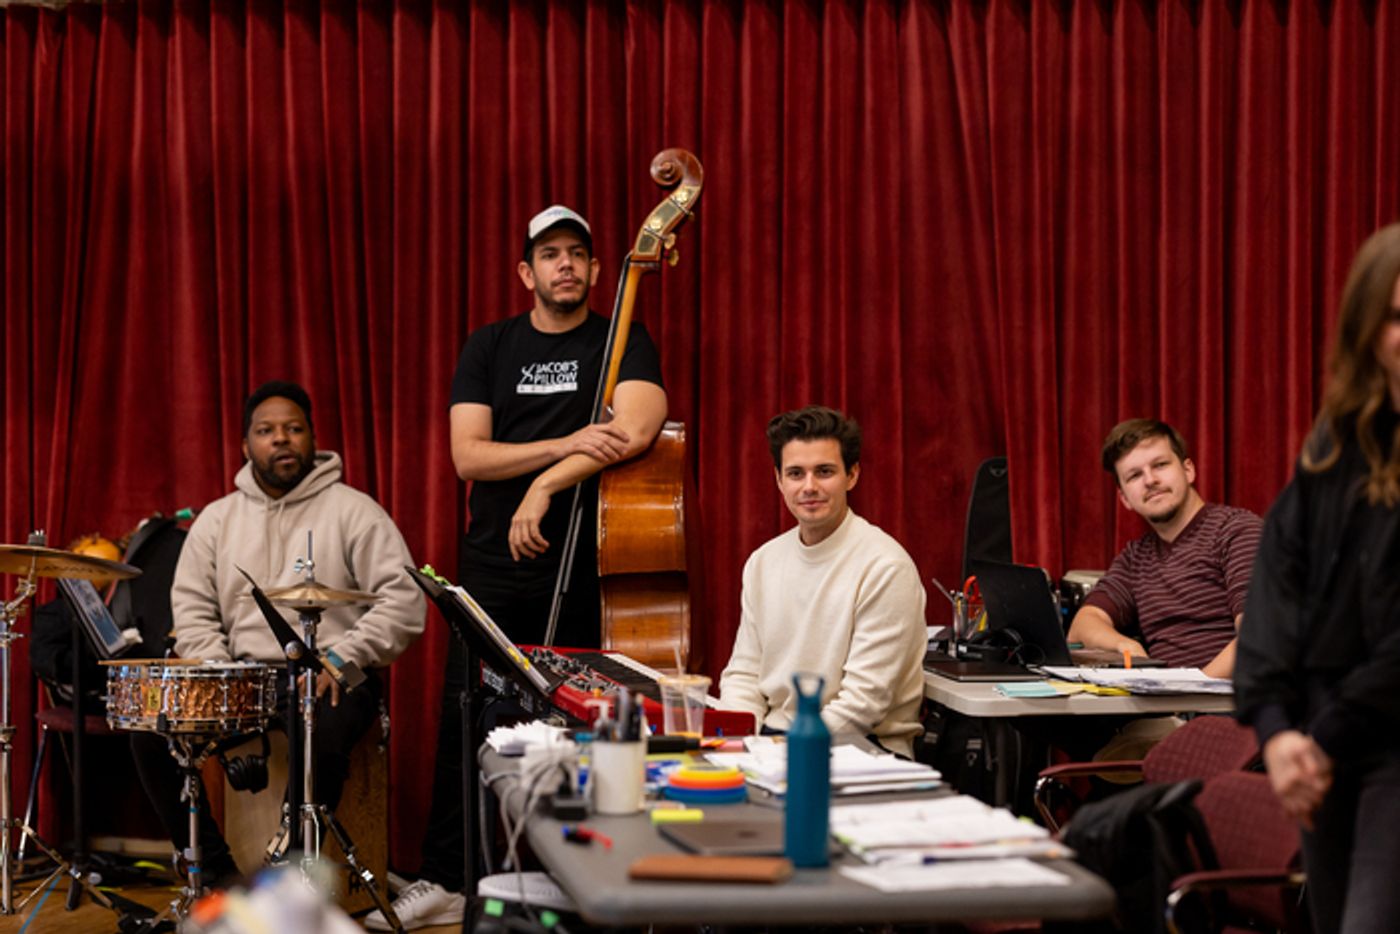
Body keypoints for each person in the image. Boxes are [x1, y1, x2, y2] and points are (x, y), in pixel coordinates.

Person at [369, 205, 667, 930]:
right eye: (550, 254)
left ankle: (579, 880)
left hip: (589, 559)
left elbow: (636, 428)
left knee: (580, 722)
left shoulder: (620, 339)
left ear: (597, 269)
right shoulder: (491, 345)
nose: (565, 265)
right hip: (494, 560)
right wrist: (568, 443)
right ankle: (446, 879)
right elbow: (469, 456)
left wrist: (545, 486)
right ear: (526, 272)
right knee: (465, 715)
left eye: (577, 254)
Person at [131, 380, 424, 886]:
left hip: (332, 672)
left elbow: (403, 600)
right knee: (151, 729)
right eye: (266, 431)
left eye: (294, 429)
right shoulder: (217, 520)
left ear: (313, 439)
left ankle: (288, 879)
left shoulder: (355, 511)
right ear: (247, 446)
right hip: (241, 675)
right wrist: (219, 671)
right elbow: (193, 610)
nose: (281, 439)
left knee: (320, 726)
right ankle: (218, 876)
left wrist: (345, 656)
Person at [1235, 222, 1400, 933]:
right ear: (1366, 330)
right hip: (1319, 742)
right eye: (1396, 316)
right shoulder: (1334, 446)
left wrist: (1319, 738)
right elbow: (1277, 585)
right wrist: (1275, 729)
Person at [716, 405, 927, 758]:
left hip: (861, 748)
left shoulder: (886, 567)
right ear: (779, 480)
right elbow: (744, 676)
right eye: (795, 473)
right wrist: (740, 744)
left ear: (852, 475)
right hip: (773, 741)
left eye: (824, 472)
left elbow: (862, 704)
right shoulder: (762, 562)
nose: (809, 487)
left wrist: (780, 754)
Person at [1067, 419, 1262, 677]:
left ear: (1188, 470)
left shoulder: (1237, 530)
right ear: (1125, 498)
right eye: (1134, 475)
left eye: (1160, 465)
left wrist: (1196, 687)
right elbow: (1081, 626)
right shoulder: (1136, 558)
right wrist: (1125, 646)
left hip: (1230, 696)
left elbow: (1261, 631)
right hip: (1167, 695)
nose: (1150, 480)